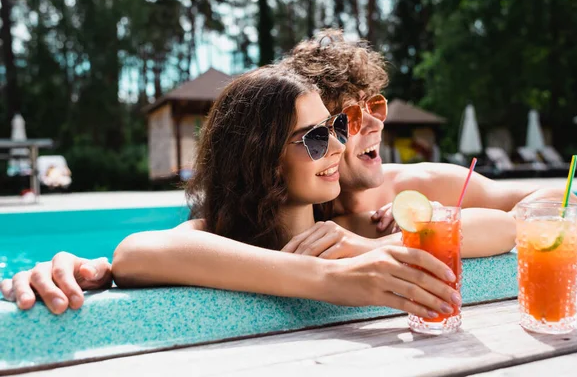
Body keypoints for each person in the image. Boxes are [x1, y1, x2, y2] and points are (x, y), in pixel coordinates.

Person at [4, 30, 577, 314]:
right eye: (328, 128)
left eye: (354, 122)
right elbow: (142, 251)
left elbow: (534, 219)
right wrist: (94, 268)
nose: (350, 138)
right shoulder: (255, 226)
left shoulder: (400, 201)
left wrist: (400, 237)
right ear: (262, 153)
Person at [2, 66, 461, 319]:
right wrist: (332, 280)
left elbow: (503, 226)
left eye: (336, 128)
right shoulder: (224, 238)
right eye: (316, 138)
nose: (339, 144)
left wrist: (368, 247)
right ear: (259, 159)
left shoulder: (346, 229)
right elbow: (135, 252)